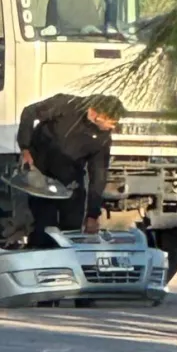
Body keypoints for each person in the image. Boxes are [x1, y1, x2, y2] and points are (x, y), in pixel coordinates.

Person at [16, 93, 125, 248]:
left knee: (71, 231)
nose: (112, 127)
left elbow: (98, 174)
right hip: (41, 172)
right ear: (95, 113)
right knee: (43, 226)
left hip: (70, 180)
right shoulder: (67, 104)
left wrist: (93, 214)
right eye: (110, 122)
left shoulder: (103, 139)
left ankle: (68, 264)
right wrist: (25, 148)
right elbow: (29, 112)